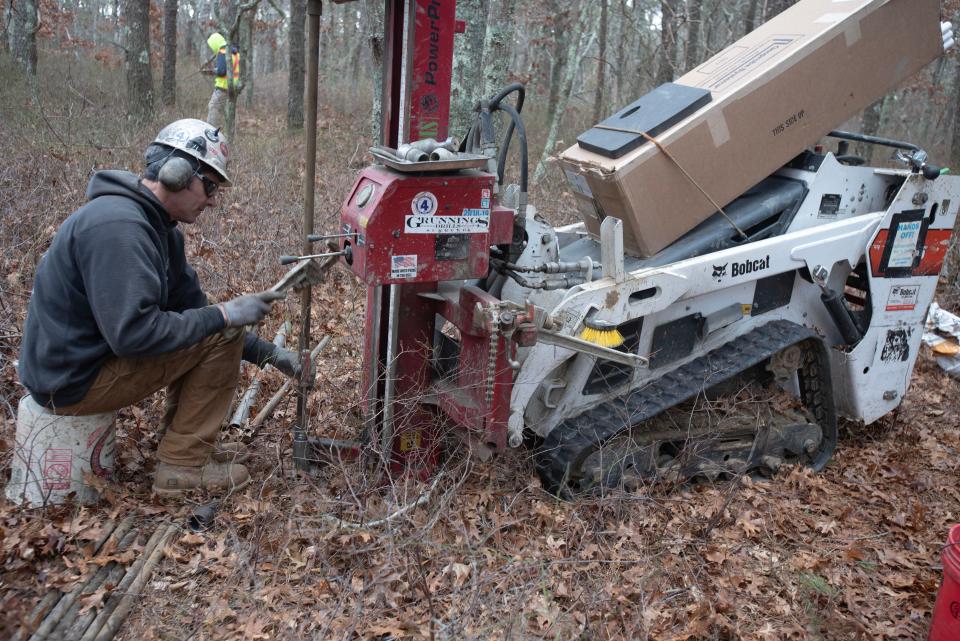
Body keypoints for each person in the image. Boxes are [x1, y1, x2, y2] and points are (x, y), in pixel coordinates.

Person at [18, 118, 299, 497]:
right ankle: (182, 466)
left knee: (217, 327)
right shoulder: (119, 228)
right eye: (209, 185)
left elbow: (195, 313)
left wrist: (270, 354)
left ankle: (185, 446)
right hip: (69, 383)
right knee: (220, 326)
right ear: (177, 174)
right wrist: (226, 315)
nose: (213, 199)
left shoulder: (159, 228)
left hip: (81, 366)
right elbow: (134, 336)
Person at [204, 32, 239, 130]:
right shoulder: (234, 52)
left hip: (223, 87)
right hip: (233, 87)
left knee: (213, 107)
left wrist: (211, 72)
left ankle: (210, 132)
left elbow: (222, 71)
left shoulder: (222, 52)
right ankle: (229, 134)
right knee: (228, 114)